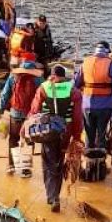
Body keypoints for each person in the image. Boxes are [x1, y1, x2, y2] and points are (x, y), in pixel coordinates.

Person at [26, 64, 83, 212]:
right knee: (59, 160)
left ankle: (53, 197)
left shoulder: (43, 88)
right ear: (64, 77)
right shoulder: (74, 91)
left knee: (48, 163)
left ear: (52, 75)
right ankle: (55, 195)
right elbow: (77, 117)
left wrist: (26, 128)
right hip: (66, 131)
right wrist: (77, 137)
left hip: (47, 131)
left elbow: (34, 110)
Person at [0, 57, 44, 177]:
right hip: (31, 116)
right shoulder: (38, 79)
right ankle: (25, 170)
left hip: (15, 114)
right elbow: (43, 97)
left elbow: (5, 94)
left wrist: (0, 110)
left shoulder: (13, 77)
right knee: (28, 140)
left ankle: (11, 165)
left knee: (13, 139)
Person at [73, 41, 112, 150]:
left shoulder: (85, 62)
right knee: (102, 134)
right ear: (107, 52)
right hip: (105, 106)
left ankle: (89, 158)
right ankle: (101, 159)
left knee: (89, 135)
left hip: (87, 105)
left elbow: (76, 84)